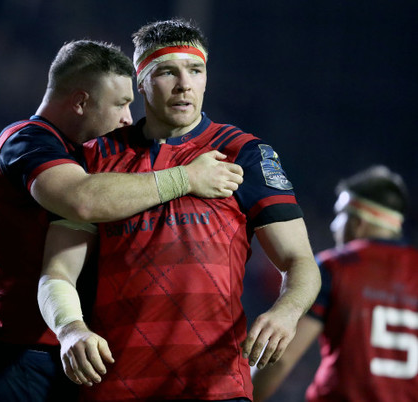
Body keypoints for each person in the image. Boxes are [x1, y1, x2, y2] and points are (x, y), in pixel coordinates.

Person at [38, 19, 321, 401]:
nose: (184, 84)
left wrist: (287, 312)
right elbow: (57, 271)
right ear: (140, 82)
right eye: (167, 71)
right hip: (116, 385)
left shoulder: (244, 152)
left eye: (195, 70)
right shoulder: (97, 158)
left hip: (215, 387)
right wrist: (70, 329)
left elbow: (300, 260)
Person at [0, 39, 243, 402]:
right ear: (80, 102)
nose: (126, 118)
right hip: (12, 356)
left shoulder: (86, 155)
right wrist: (186, 178)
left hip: (61, 357)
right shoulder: (26, 140)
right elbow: (82, 200)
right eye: (120, 104)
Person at [252, 165, 418, 401]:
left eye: (340, 214)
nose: (333, 225)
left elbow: (281, 357)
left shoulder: (336, 267)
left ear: (358, 220)